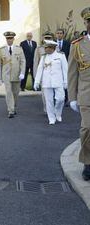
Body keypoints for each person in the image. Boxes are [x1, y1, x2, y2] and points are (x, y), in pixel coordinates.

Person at [68, 7, 90, 181]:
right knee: (87, 129)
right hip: (86, 95)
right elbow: (72, 74)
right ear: (85, 22)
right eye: (89, 21)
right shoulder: (77, 45)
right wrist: (72, 98)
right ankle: (88, 162)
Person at [33, 40, 68, 124]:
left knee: (61, 99)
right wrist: (37, 81)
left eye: (48, 48)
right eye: (45, 47)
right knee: (49, 101)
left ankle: (57, 112)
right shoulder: (44, 57)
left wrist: (66, 81)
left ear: (53, 48)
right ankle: (51, 118)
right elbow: (40, 69)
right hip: (47, 82)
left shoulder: (61, 56)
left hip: (58, 81)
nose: (46, 49)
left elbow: (65, 69)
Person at [0, 31, 26, 118]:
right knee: (8, 92)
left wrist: (22, 73)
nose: (9, 40)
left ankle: (14, 106)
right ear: (6, 39)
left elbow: (23, 61)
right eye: (7, 38)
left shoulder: (19, 49)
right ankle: (11, 110)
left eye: (11, 38)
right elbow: (0, 64)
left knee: (16, 93)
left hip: (16, 74)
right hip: (6, 75)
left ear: (13, 39)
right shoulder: (2, 50)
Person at [34, 31, 55, 114]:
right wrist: (36, 77)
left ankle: (52, 107)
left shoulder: (56, 48)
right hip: (44, 75)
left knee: (54, 93)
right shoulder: (39, 49)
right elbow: (36, 62)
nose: (47, 39)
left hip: (54, 74)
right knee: (45, 94)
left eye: (49, 38)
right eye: (46, 38)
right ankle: (47, 108)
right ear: (43, 38)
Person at [55, 28, 71, 106]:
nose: (59, 34)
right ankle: (56, 98)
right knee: (56, 81)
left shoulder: (68, 43)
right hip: (56, 66)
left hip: (65, 65)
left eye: (61, 33)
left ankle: (66, 99)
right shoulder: (53, 43)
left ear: (63, 34)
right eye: (57, 33)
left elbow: (70, 54)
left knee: (65, 81)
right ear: (55, 34)